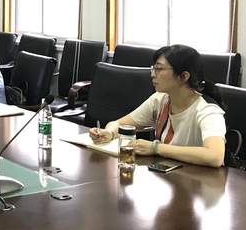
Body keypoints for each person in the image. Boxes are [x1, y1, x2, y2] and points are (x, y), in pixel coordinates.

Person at [88, 44, 226, 168]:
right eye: (153, 68)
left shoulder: (207, 111)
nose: (153, 74)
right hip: (169, 174)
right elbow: (119, 124)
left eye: (159, 69)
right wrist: (110, 132)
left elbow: (215, 157)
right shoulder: (160, 99)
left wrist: (155, 148)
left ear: (184, 77)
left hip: (200, 180)